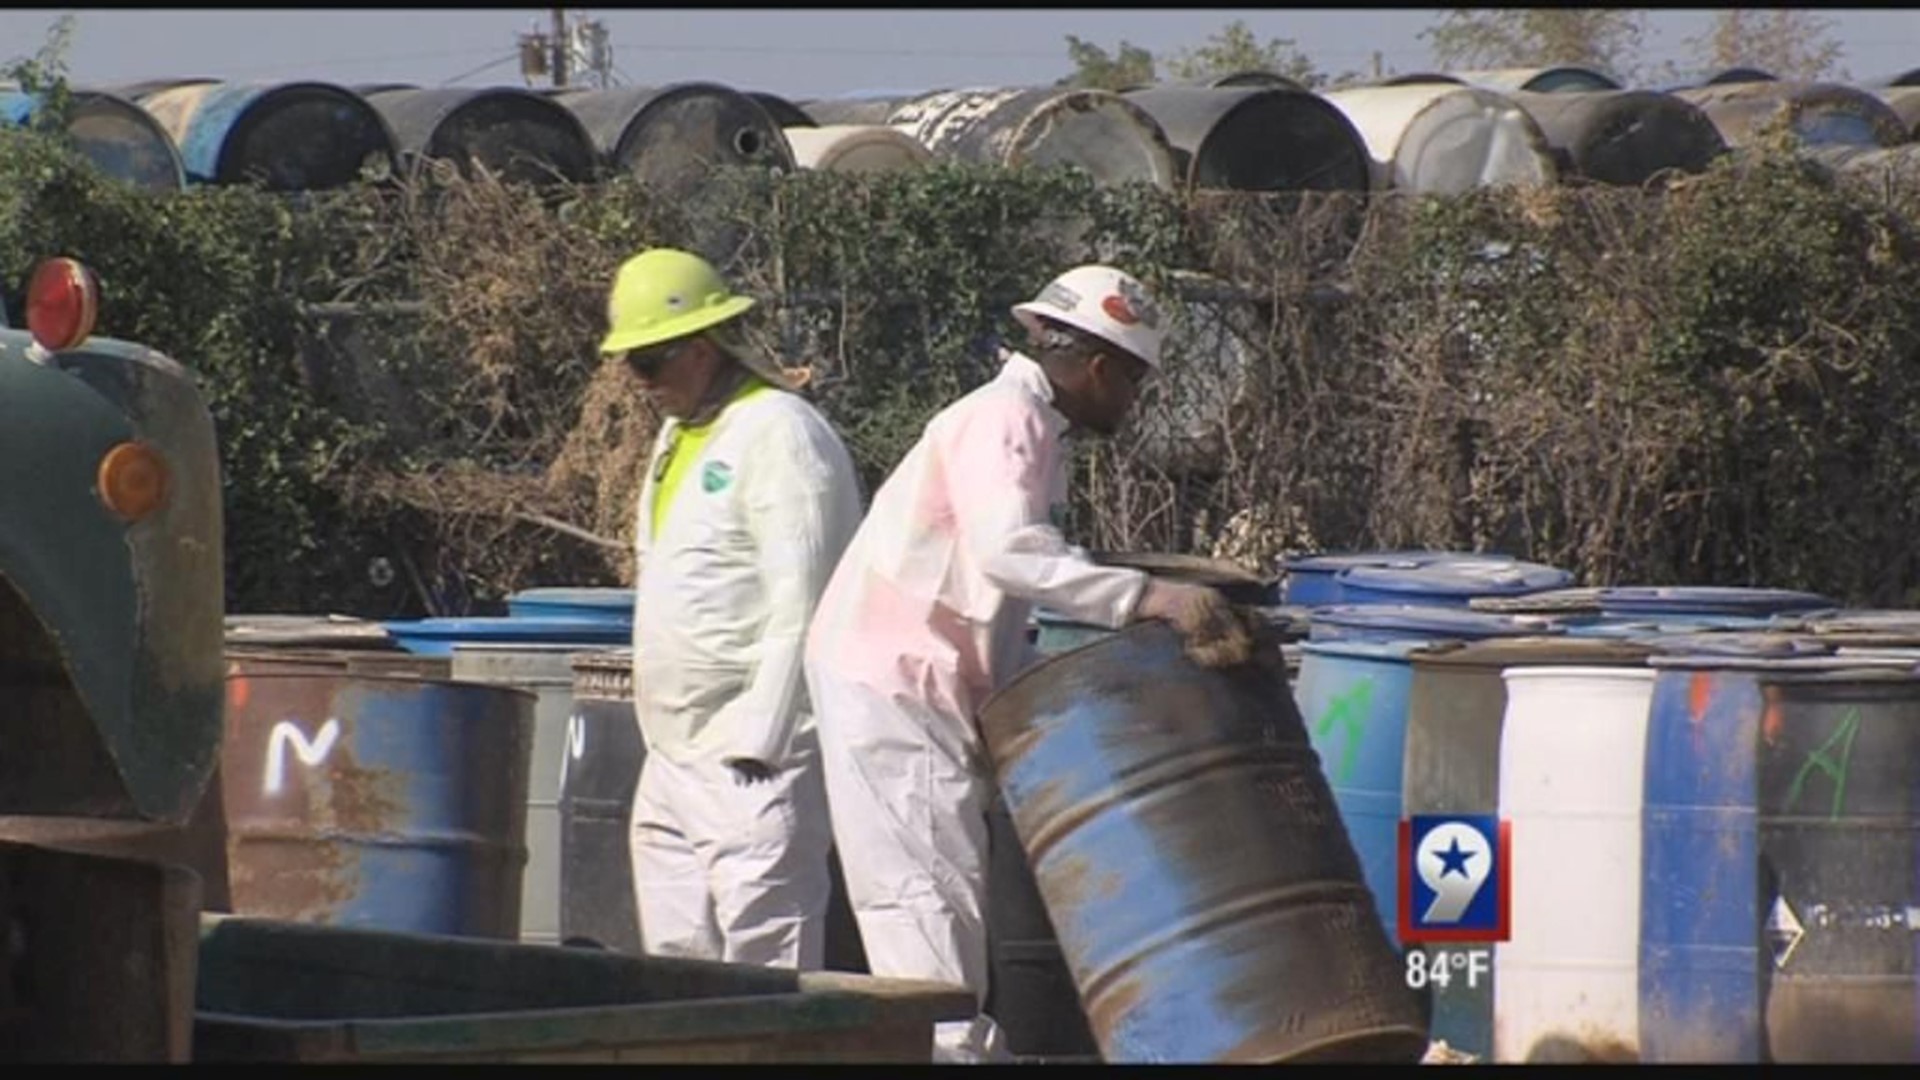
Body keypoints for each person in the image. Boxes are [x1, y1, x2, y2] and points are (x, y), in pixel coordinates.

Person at [802, 264, 1254, 1061]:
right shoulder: (1007, 420)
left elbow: (989, 597)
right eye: (1136, 384)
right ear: (1102, 367)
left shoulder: (1028, 426)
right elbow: (1011, 555)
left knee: (940, 901)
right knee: (925, 907)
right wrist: (1151, 598)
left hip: (919, 685)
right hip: (896, 688)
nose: (1133, 402)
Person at [601, 247, 863, 970]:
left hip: (748, 750)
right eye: (632, 363)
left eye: (652, 361)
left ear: (704, 345)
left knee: (765, 958)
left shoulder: (781, 433)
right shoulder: (679, 435)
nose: (640, 380)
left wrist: (764, 738)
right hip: (672, 749)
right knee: (675, 967)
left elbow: (807, 601)